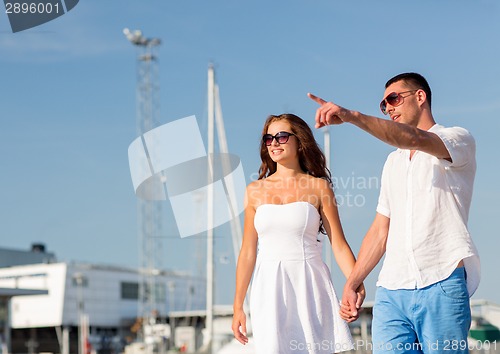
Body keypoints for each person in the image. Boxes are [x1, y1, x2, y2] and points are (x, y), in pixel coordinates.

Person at [308, 72, 480, 354]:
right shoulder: (392, 162)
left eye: (393, 99)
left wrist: (352, 116)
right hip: (391, 290)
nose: (388, 108)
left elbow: (413, 138)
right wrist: (353, 282)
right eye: (383, 104)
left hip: (442, 280)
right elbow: (380, 229)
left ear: (420, 97)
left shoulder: (457, 139)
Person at [231, 113, 364, 354]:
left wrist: (356, 282)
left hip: (310, 283)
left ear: (299, 141)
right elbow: (248, 252)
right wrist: (238, 305)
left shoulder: (319, 187)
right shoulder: (254, 191)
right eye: (268, 138)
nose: (273, 143)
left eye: (281, 136)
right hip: (269, 286)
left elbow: (339, 244)